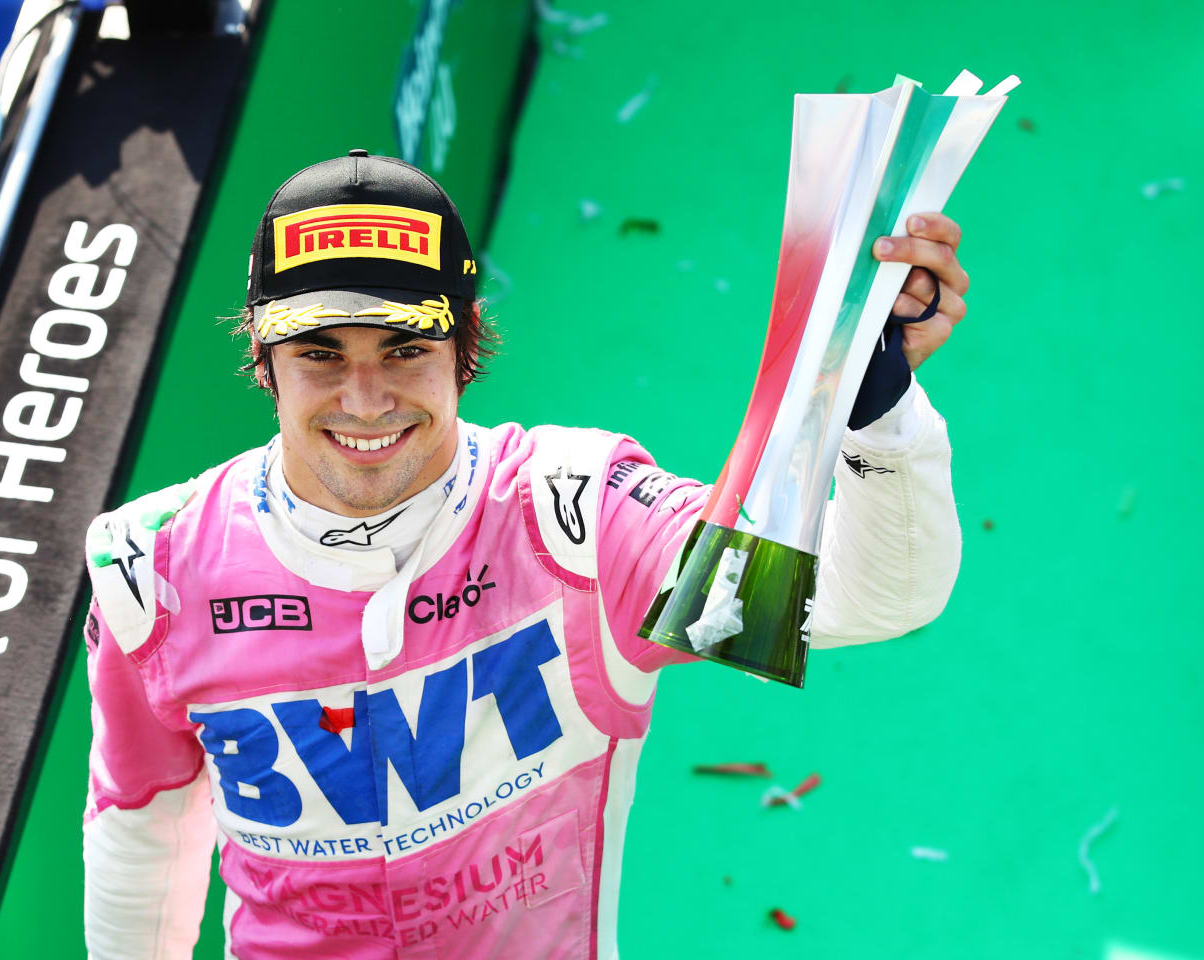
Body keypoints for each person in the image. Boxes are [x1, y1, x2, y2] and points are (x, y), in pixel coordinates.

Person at [80, 150, 965, 959]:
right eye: (319, 353)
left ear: (465, 348)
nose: (364, 398)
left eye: (404, 348)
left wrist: (876, 400)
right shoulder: (153, 565)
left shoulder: (573, 515)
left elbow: (868, 598)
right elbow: (144, 829)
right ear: (264, 361)